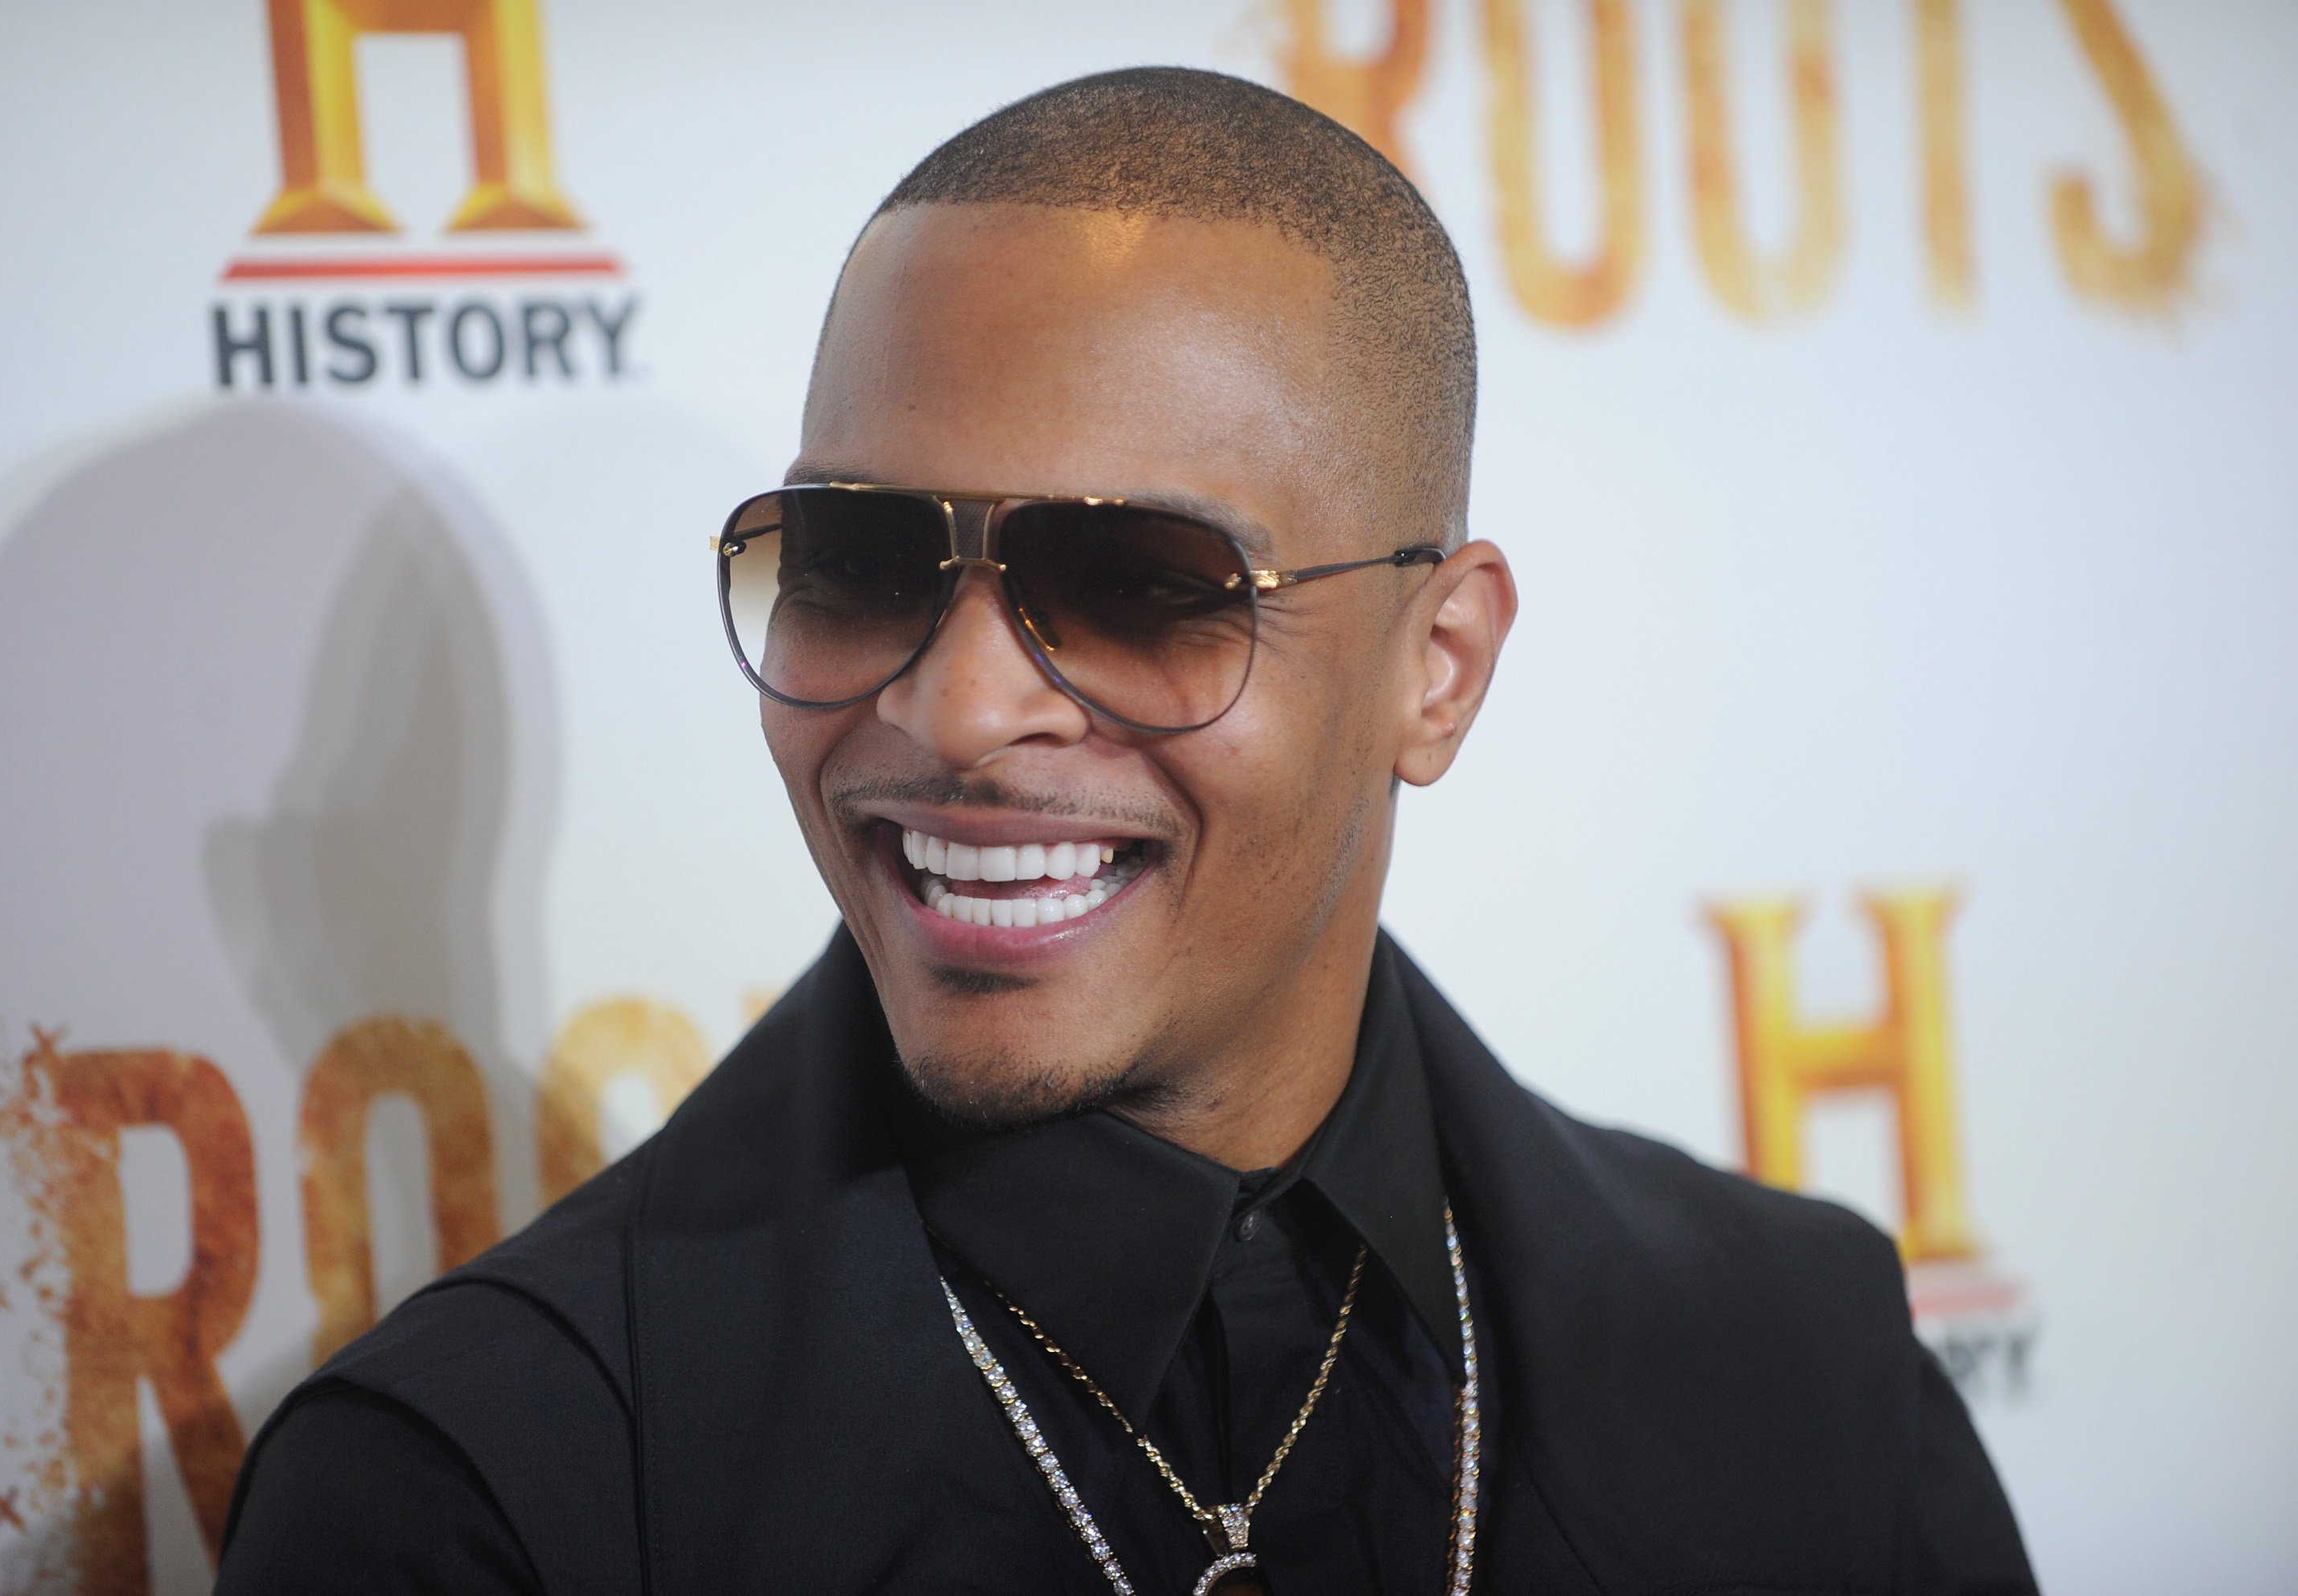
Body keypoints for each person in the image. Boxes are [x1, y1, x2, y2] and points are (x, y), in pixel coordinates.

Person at [217, 67, 2037, 1595]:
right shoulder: (485, 1494)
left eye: (1140, 581)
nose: (954, 707)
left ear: (1442, 665)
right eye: (858, 562)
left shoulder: (1801, 1362)